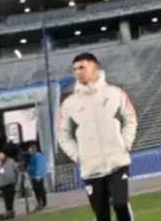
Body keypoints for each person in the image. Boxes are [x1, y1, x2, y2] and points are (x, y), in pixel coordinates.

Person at [58, 53, 138, 221]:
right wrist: (78, 155)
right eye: (75, 69)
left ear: (94, 67)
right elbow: (62, 133)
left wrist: (125, 143)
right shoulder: (69, 103)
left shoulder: (115, 92)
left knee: (120, 205)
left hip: (117, 163)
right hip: (91, 169)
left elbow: (130, 119)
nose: (78, 72)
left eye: (82, 67)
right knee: (101, 216)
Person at [0, 151, 18, 219]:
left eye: (2, 156)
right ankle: (9, 211)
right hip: (3, 184)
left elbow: (16, 170)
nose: (1, 158)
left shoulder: (10, 161)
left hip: (11, 182)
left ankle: (10, 211)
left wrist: (15, 178)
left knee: (11, 197)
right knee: (6, 198)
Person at [27, 144, 48, 210]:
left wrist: (38, 174)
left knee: (40, 189)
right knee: (36, 190)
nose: (29, 152)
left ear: (33, 150)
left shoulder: (38, 156)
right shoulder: (32, 156)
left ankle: (43, 203)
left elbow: (40, 165)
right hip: (33, 176)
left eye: (30, 150)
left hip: (37, 175)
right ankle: (39, 203)